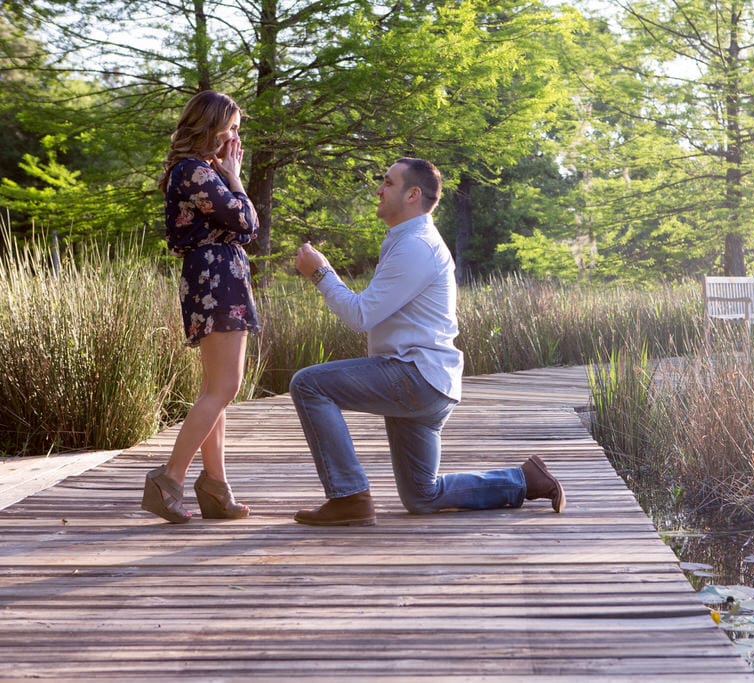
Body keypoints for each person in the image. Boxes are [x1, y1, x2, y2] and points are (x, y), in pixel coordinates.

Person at [290, 157, 564, 525]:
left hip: (414, 377)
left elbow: (360, 316)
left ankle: (349, 496)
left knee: (308, 384)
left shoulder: (415, 247)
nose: (378, 189)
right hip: (427, 381)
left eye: (387, 183)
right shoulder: (409, 241)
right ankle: (525, 480)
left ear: (412, 195)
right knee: (422, 496)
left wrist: (320, 273)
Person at [141, 90, 260, 524]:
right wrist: (237, 177)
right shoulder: (194, 172)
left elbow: (242, 231)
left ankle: (215, 488)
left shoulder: (195, 171)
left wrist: (226, 175)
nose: (235, 139)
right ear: (209, 127)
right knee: (223, 387)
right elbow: (246, 222)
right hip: (216, 278)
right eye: (231, 129)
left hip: (214, 275)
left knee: (217, 390)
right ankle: (168, 480)